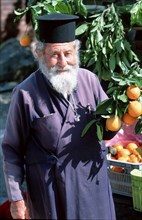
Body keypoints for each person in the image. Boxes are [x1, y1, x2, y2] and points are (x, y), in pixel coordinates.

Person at [2, 13, 117, 219]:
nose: (63, 62)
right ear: (40, 55)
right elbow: (12, 149)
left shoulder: (89, 80)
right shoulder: (25, 93)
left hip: (92, 184)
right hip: (52, 192)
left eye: (68, 53)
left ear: (76, 52)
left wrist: (121, 109)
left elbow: (107, 131)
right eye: (55, 54)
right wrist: (16, 198)